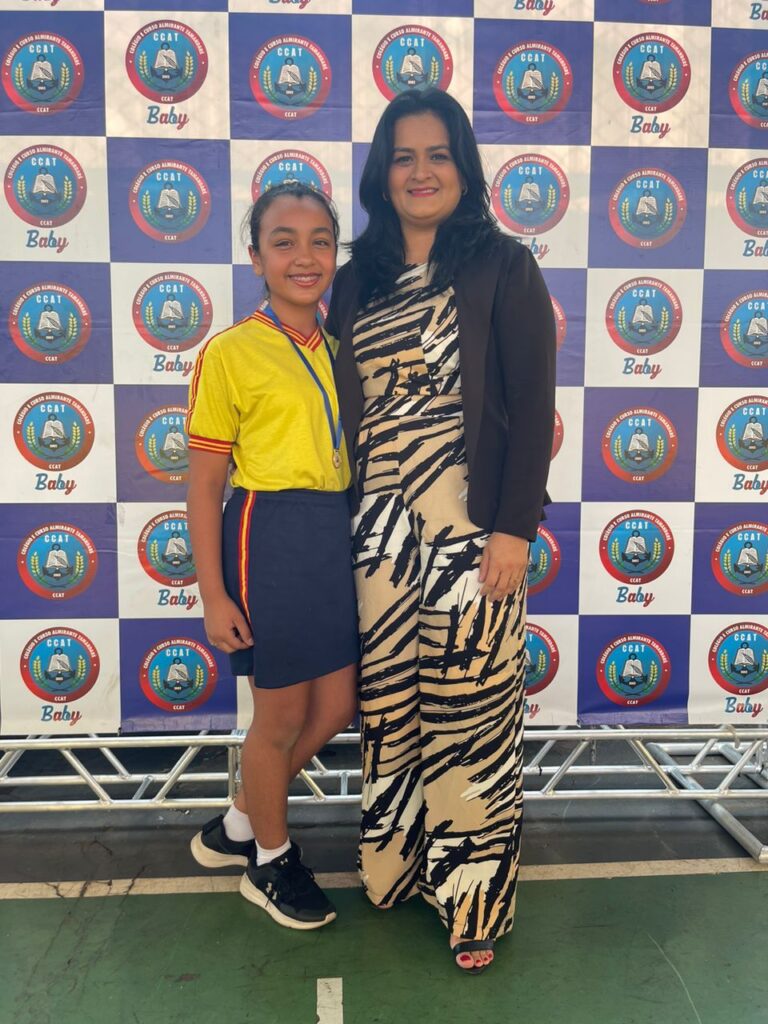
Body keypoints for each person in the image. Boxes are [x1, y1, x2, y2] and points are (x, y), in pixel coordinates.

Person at [325, 89, 555, 973]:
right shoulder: (358, 278)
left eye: (437, 154)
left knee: (472, 706)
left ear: (464, 167)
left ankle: (473, 899)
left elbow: (531, 407)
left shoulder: (504, 265)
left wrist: (514, 528)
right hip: (378, 528)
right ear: (382, 174)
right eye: (403, 157)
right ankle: (396, 867)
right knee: (390, 700)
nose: (420, 172)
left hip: (472, 525)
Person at [186, 182, 358, 930]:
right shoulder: (230, 351)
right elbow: (204, 484)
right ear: (256, 258)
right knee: (280, 715)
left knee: (339, 705)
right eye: (283, 241)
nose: (304, 256)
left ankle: (238, 821)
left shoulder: (342, 351)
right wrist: (213, 593)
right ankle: (269, 860)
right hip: (269, 532)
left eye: (320, 240)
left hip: (333, 531)